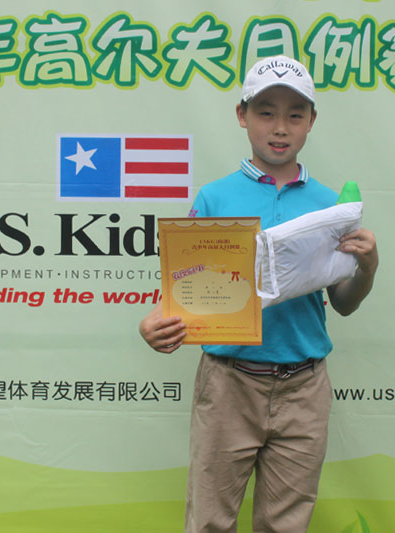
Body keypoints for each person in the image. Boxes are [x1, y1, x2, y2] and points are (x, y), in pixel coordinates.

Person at [139, 55, 378, 533]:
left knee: (285, 524)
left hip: (304, 385)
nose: (280, 127)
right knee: (209, 520)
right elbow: (187, 286)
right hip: (229, 382)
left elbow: (344, 302)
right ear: (242, 115)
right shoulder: (214, 198)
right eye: (266, 112)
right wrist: (154, 321)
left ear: (311, 121)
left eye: (295, 114)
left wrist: (368, 265)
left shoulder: (330, 205)